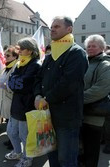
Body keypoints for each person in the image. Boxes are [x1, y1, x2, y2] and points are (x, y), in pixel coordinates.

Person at [34, 16, 88, 167]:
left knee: (66, 159)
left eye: (57, 26)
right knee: (53, 155)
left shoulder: (76, 53)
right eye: (52, 26)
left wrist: (47, 99)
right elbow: (38, 77)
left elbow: (68, 83)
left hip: (67, 118)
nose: (52, 29)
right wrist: (37, 95)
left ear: (69, 29)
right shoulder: (51, 55)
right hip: (48, 115)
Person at [5, 38, 41, 167]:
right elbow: (12, 80)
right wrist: (15, 81)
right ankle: (17, 152)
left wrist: (14, 81)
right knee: (11, 131)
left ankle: (27, 159)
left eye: (21, 49)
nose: (18, 51)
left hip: (26, 105)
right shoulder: (21, 63)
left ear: (30, 50)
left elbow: (22, 84)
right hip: (17, 104)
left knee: (24, 136)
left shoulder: (35, 65)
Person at [82, 34, 110, 167]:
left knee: (91, 151)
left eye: (94, 46)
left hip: (95, 116)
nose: (90, 48)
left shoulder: (105, 64)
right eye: (88, 46)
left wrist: (77, 99)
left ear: (102, 48)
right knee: (82, 149)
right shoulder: (85, 62)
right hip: (81, 113)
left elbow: (100, 90)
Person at [0, 46, 18, 148]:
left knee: (12, 123)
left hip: (10, 98)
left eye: (8, 55)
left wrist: (6, 87)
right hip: (5, 98)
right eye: (5, 55)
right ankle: (10, 140)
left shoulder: (16, 66)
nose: (5, 56)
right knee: (9, 122)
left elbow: (17, 84)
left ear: (15, 56)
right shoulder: (8, 66)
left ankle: (14, 144)